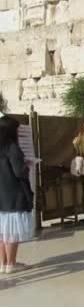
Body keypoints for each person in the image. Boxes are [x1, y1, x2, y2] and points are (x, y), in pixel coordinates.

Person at [0, 116, 34, 274]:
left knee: (2, 232)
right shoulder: (12, 147)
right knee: (12, 231)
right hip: (13, 193)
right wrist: (27, 165)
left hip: (2, 195)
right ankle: (12, 263)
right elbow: (19, 171)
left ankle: (4, 264)